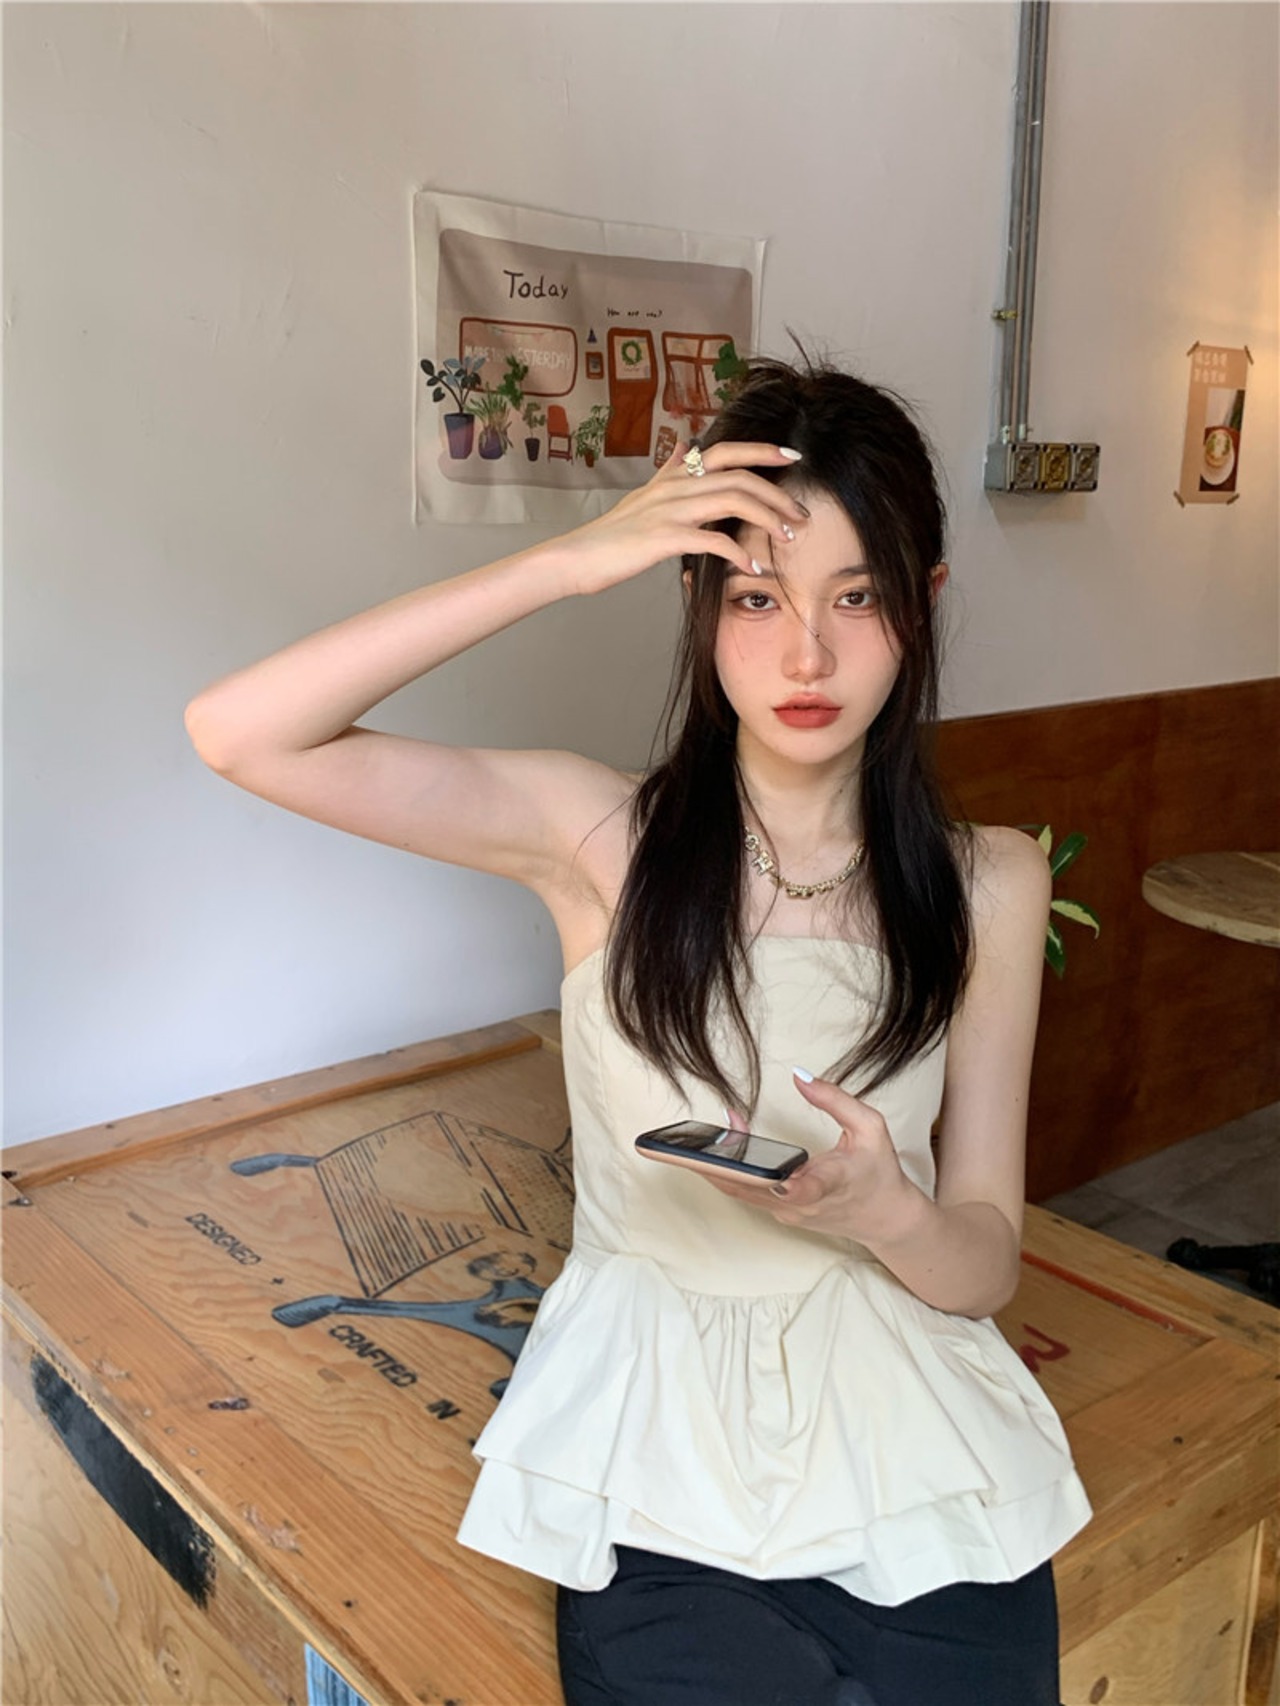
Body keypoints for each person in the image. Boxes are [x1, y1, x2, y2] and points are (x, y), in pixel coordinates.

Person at [186, 355, 1091, 1706]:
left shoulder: (990, 881)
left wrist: (890, 1215)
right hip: (653, 1457)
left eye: (857, 597)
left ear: (925, 605)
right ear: (697, 602)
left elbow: (983, 1263)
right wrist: (569, 561)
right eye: (757, 596)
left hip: (918, 1450)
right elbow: (241, 733)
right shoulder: (595, 836)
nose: (806, 654)